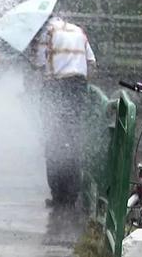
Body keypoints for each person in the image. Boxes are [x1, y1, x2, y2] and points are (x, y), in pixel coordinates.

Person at [30, 15, 96, 206]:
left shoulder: (47, 32)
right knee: (73, 139)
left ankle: (58, 194)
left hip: (56, 88)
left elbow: (39, 64)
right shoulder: (78, 31)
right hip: (78, 87)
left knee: (53, 139)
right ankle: (72, 194)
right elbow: (91, 62)